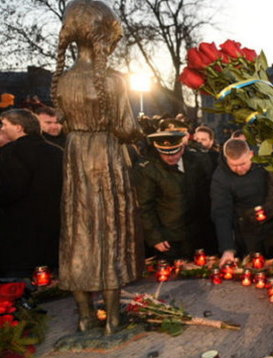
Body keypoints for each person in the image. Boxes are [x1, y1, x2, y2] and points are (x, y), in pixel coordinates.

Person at [52, 0, 144, 335]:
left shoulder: (62, 81)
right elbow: (126, 128)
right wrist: (140, 132)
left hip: (76, 158)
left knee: (78, 232)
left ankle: (84, 315)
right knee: (109, 230)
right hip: (105, 156)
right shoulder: (113, 81)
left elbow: (63, 122)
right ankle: (114, 318)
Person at [0, 109, 63, 278]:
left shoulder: (10, 153)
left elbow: (8, 190)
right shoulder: (57, 152)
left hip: (19, 235)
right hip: (54, 231)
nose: (3, 129)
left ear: (19, 127)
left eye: (5, 125)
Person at [133, 131, 215, 261]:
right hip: (169, 238)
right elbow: (145, 207)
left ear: (182, 148)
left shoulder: (197, 161)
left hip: (198, 234)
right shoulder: (147, 169)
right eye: (164, 154)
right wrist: (155, 237)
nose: (170, 157)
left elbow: (205, 195)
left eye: (174, 152)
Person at [212, 139, 273, 266]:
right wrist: (227, 248)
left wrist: (268, 209)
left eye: (243, 163)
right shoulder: (221, 177)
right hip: (246, 230)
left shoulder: (266, 163)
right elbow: (221, 212)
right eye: (233, 165)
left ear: (251, 155)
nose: (239, 169)